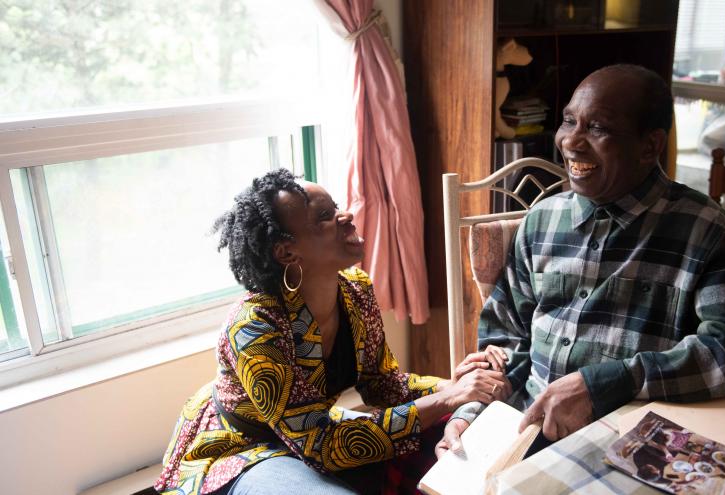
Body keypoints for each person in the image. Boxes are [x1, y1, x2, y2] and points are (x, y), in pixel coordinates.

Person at [436, 64, 725, 457]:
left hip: (632, 447)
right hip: (525, 434)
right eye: (569, 121)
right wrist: (471, 415)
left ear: (650, 146)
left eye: (598, 128)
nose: (570, 142)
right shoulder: (541, 222)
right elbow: (506, 339)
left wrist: (612, 382)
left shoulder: (706, 231)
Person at [154, 169, 508, 495]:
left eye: (335, 207)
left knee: (466, 430)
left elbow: (383, 384)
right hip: (245, 449)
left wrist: (457, 385)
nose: (345, 216)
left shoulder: (355, 290)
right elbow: (322, 446)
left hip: (314, 432)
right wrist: (447, 397)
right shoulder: (254, 327)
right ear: (287, 251)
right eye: (324, 217)